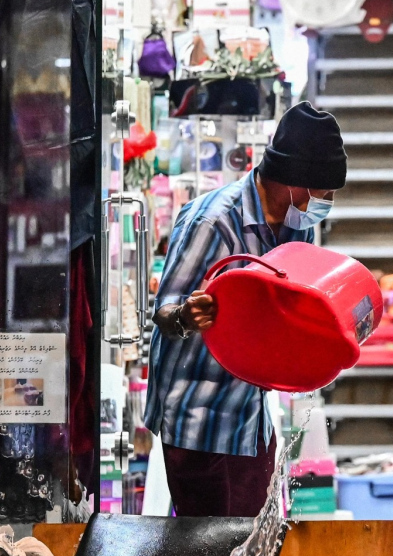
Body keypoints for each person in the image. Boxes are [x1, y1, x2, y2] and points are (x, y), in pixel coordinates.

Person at [144, 102, 346, 516]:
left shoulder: (296, 227)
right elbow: (164, 311)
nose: (325, 203)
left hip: (247, 419)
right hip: (198, 423)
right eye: (323, 194)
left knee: (253, 546)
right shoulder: (212, 221)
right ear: (296, 183)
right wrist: (187, 316)